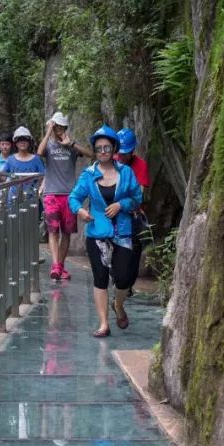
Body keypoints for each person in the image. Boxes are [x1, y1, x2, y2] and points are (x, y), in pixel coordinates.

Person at [69, 125, 143, 338]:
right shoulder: (88, 175)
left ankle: (118, 305)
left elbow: (137, 198)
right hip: (97, 232)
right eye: (99, 148)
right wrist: (81, 210)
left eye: (107, 148)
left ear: (114, 149)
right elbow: (73, 198)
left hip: (123, 232)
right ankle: (103, 324)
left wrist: (122, 205)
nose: (102, 152)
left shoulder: (126, 172)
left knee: (123, 278)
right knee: (100, 277)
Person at [39, 112, 93, 281]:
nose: (58, 130)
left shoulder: (71, 147)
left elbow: (91, 154)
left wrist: (72, 144)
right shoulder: (48, 145)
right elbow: (39, 152)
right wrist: (49, 131)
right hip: (51, 194)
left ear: (65, 128)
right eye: (56, 127)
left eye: (61, 127)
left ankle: (60, 266)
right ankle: (55, 266)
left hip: (69, 195)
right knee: (53, 231)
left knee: (67, 233)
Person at [115, 127, 151, 297]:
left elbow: (141, 192)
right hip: (115, 212)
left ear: (132, 151)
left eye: (125, 153)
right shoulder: (112, 162)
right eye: (119, 152)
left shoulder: (140, 165)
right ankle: (118, 279)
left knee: (134, 249)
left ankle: (128, 284)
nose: (121, 156)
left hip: (134, 213)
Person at [3, 127, 45, 199]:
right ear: (16, 143)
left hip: (33, 199)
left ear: (29, 142)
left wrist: (41, 189)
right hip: (14, 199)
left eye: (25, 140)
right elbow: (2, 177)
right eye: (19, 140)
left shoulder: (36, 159)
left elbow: (44, 176)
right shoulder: (10, 160)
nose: (22, 142)